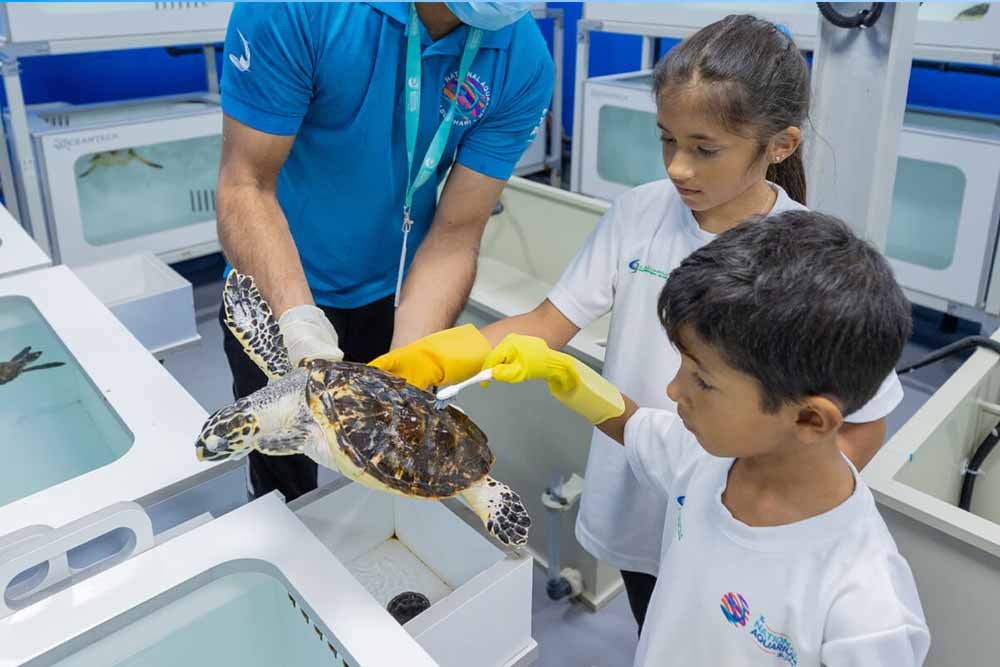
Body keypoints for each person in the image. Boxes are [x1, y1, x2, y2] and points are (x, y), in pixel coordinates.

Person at [372, 15, 903, 632]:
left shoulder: (807, 259)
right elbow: (548, 321)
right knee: (654, 622)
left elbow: (864, 424)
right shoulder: (640, 214)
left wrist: (768, 506)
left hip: (738, 522)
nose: (677, 167)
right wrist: (440, 357)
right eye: (666, 140)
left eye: (704, 149)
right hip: (637, 487)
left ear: (779, 145)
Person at [482, 211, 930, 666]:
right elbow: (633, 425)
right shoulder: (706, 459)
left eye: (703, 380)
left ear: (810, 420)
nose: (673, 390)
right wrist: (564, 374)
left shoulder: (867, 611)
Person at [215, 2, 554, 501]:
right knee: (282, 476)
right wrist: (299, 324)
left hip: (398, 290)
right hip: (277, 287)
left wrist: (412, 364)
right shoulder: (300, 9)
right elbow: (246, 184)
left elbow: (456, 233)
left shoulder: (522, 59)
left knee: (391, 467)